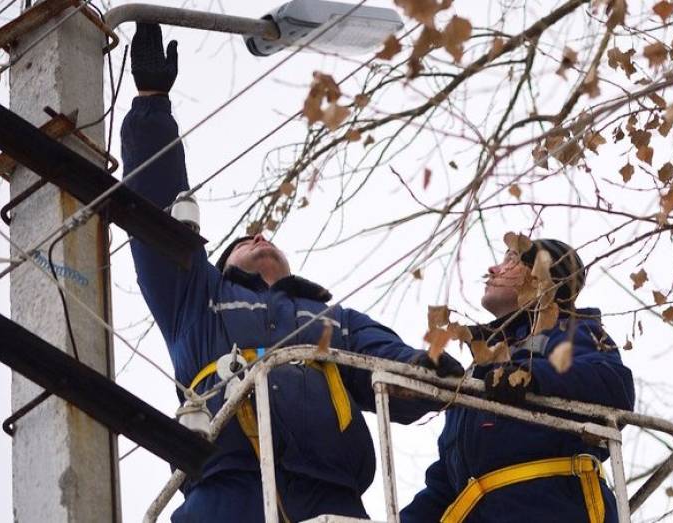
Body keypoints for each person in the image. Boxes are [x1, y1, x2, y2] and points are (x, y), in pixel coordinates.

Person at [121, 24, 464, 522]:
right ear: (222, 264)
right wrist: (152, 102)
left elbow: (386, 362)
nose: (260, 239)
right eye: (245, 241)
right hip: (226, 489)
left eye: (267, 238)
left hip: (333, 498)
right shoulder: (198, 298)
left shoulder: (333, 318)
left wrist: (427, 370)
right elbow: (156, 209)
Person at [400, 238, 636, 523]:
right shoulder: (480, 368)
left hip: (552, 509)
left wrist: (534, 378)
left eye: (512, 260)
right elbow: (446, 484)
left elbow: (612, 385)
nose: (493, 268)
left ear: (540, 278)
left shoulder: (570, 331)